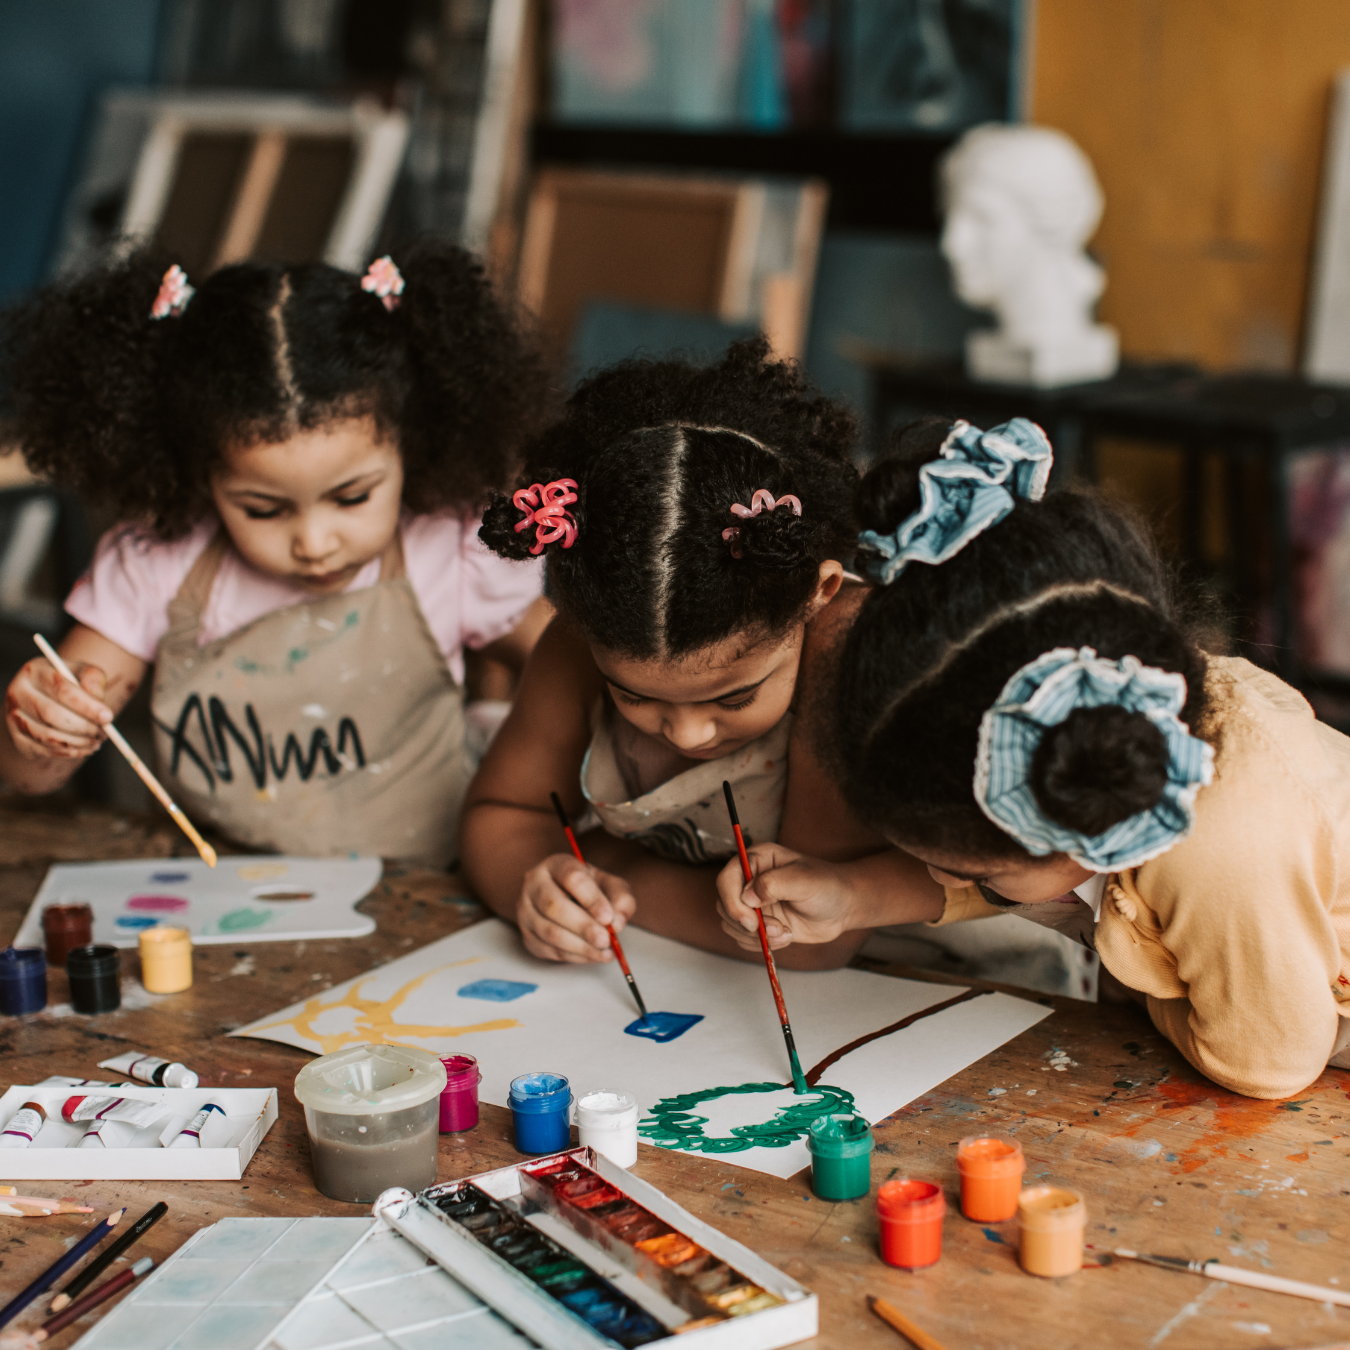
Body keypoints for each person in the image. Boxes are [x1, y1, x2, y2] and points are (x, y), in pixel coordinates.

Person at [718, 414, 1350, 1100]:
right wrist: (848, 897)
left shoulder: (1225, 849)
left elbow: (1267, 1063)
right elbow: (1027, 879)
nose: (937, 874)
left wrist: (1136, 986)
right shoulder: (1121, 702)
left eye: (968, 869)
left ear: (1082, 824)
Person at [0, 243, 552, 865]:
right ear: (200, 472)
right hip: (220, 899)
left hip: (424, 892)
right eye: (262, 509)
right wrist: (40, 732)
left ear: (413, 445)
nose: (314, 543)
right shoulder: (157, 566)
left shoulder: (448, 546)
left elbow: (571, 667)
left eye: (352, 497)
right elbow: (31, 779)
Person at [461, 339, 925, 966]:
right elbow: (501, 812)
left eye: (735, 695)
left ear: (820, 592)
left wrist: (607, 861)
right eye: (633, 694)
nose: (688, 731)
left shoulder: (843, 650)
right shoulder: (588, 639)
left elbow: (809, 944)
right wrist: (535, 884)